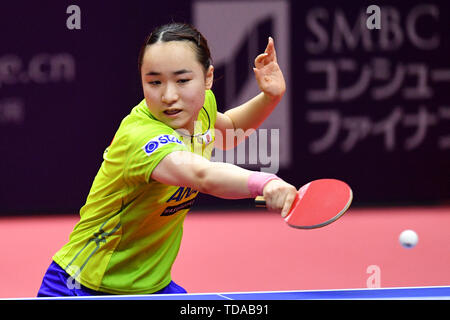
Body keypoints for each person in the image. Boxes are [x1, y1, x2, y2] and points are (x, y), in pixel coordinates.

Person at [37, 22, 297, 297]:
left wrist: (270, 97)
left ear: (208, 78)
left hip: (150, 286)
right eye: (154, 82)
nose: (169, 96)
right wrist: (264, 181)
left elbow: (229, 130)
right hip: (83, 286)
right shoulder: (141, 137)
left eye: (183, 80)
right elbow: (202, 176)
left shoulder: (200, 106)